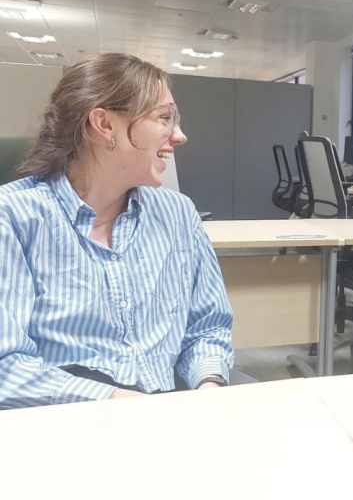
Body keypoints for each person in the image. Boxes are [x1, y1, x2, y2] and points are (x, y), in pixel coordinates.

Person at [0, 53, 234, 409]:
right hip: (66, 420)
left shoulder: (178, 214)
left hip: (167, 413)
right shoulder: (14, 218)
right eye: (164, 118)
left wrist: (208, 388)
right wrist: (117, 401)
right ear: (104, 124)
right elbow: (7, 365)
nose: (180, 135)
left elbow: (207, 327)